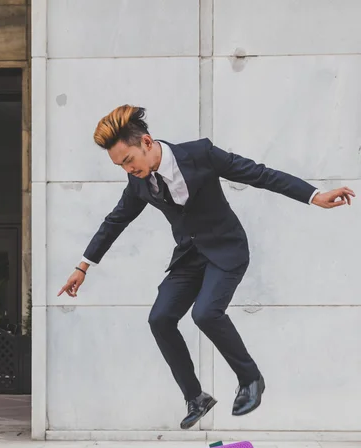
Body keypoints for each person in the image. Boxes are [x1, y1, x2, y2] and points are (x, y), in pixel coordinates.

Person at [58, 105, 354, 430]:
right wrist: (83, 266)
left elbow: (259, 174)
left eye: (128, 160)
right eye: (120, 166)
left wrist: (313, 195)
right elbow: (115, 221)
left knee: (205, 313)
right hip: (189, 256)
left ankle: (250, 378)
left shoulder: (200, 154)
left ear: (146, 141)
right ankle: (196, 397)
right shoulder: (139, 183)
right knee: (160, 318)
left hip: (227, 249)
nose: (128, 169)